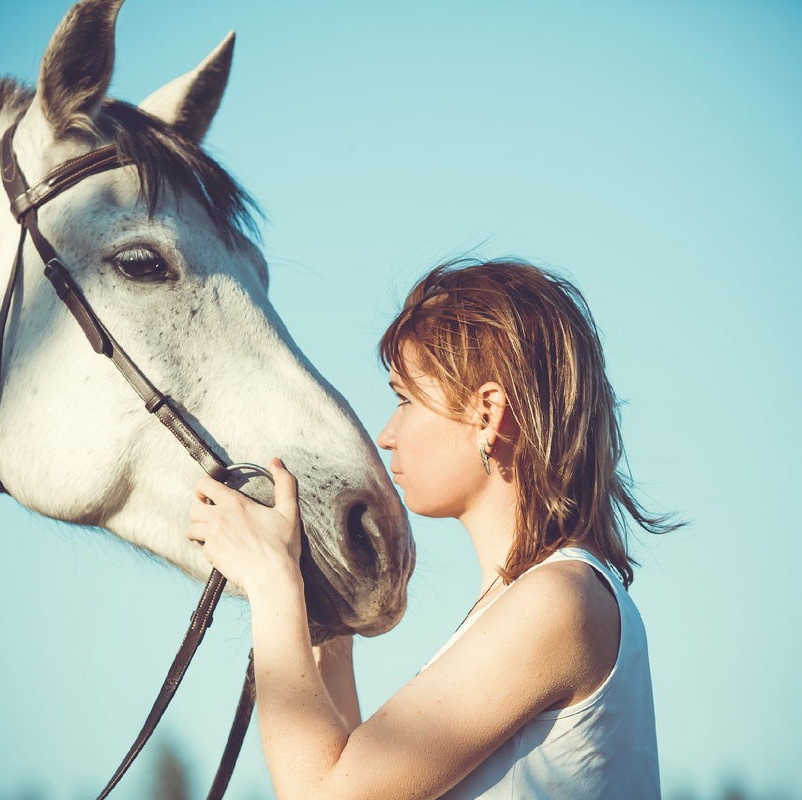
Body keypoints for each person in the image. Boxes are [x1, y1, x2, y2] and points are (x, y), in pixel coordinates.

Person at [188, 258, 680, 799]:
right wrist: (324, 619)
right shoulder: (536, 600)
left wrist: (271, 580)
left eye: (405, 399)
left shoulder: (560, 601)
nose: (387, 434)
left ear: (487, 415)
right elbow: (343, 770)